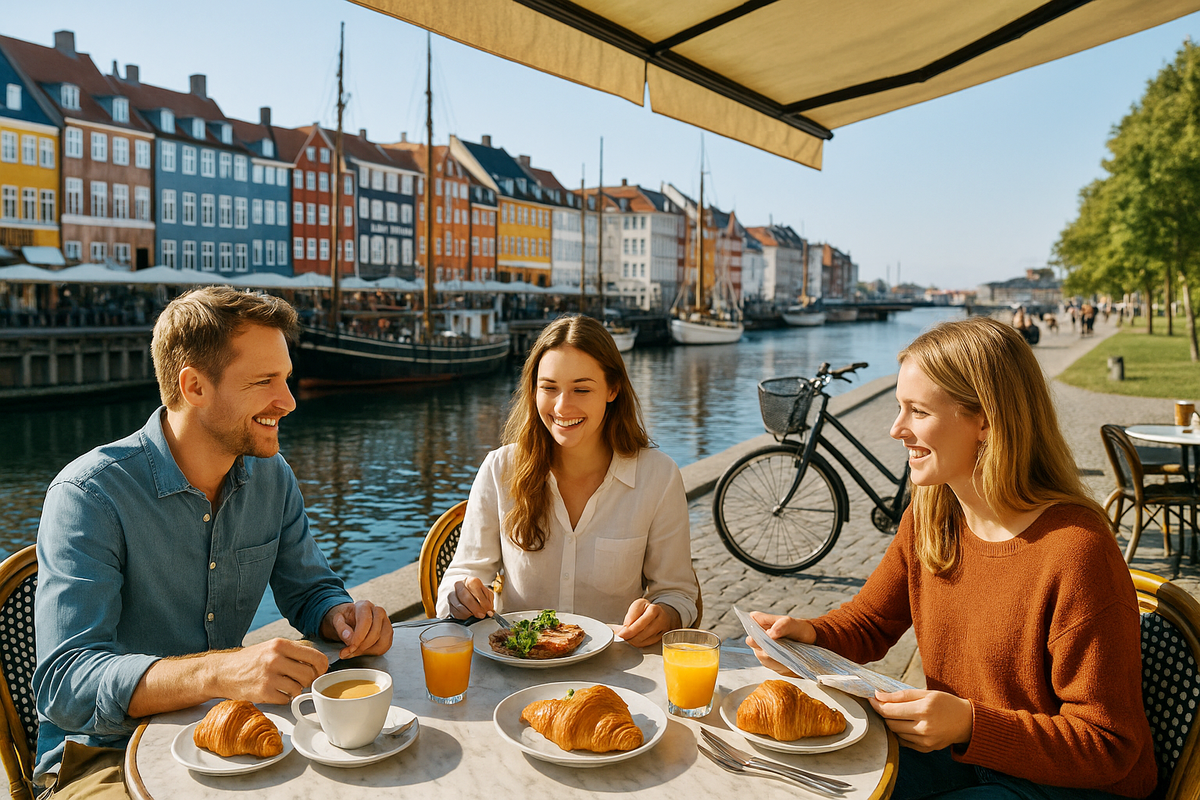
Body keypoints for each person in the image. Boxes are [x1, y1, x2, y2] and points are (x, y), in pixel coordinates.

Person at [747, 316, 1155, 800]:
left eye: (916, 411)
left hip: (1073, 786)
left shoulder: (1077, 550)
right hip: (968, 757)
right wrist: (809, 635)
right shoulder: (932, 515)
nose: (896, 429)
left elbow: (1109, 746)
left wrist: (968, 724)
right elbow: (872, 621)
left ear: (984, 419)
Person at [32, 286, 393, 798]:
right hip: (101, 757)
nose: (288, 401)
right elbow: (65, 684)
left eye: (285, 379)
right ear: (194, 386)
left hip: (227, 736)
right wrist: (221, 671)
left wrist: (342, 616)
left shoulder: (272, 476)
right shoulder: (89, 495)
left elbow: (310, 591)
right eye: (265, 381)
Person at [437, 314, 697, 646]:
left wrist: (665, 614)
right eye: (549, 388)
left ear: (613, 389)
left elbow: (679, 594)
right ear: (533, 390)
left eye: (581, 389)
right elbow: (458, 579)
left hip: (615, 673)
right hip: (517, 667)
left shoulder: (659, 477)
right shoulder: (498, 468)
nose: (562, 406)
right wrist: (462, 596)